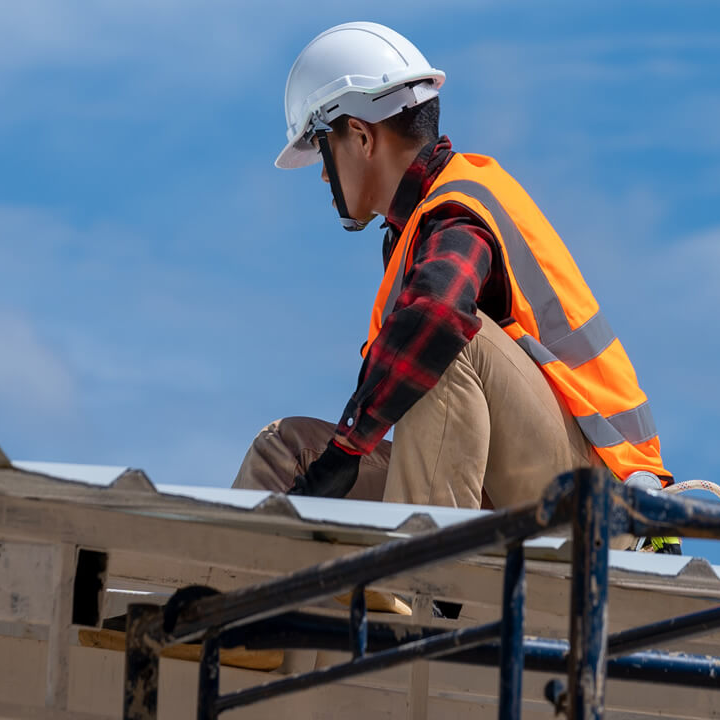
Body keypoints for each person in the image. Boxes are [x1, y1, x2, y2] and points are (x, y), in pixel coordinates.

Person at [233, 22, 677, 551]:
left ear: (360, 136)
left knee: (436, 340)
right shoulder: (415, 230)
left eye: (321, 147)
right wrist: (336, 458)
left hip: (595, 505)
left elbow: (438, 319)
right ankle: (214, 603)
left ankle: (421, 586)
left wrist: (349, 450)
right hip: (502, 493)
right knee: (286, 453)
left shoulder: (459, 208)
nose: (325, 176)